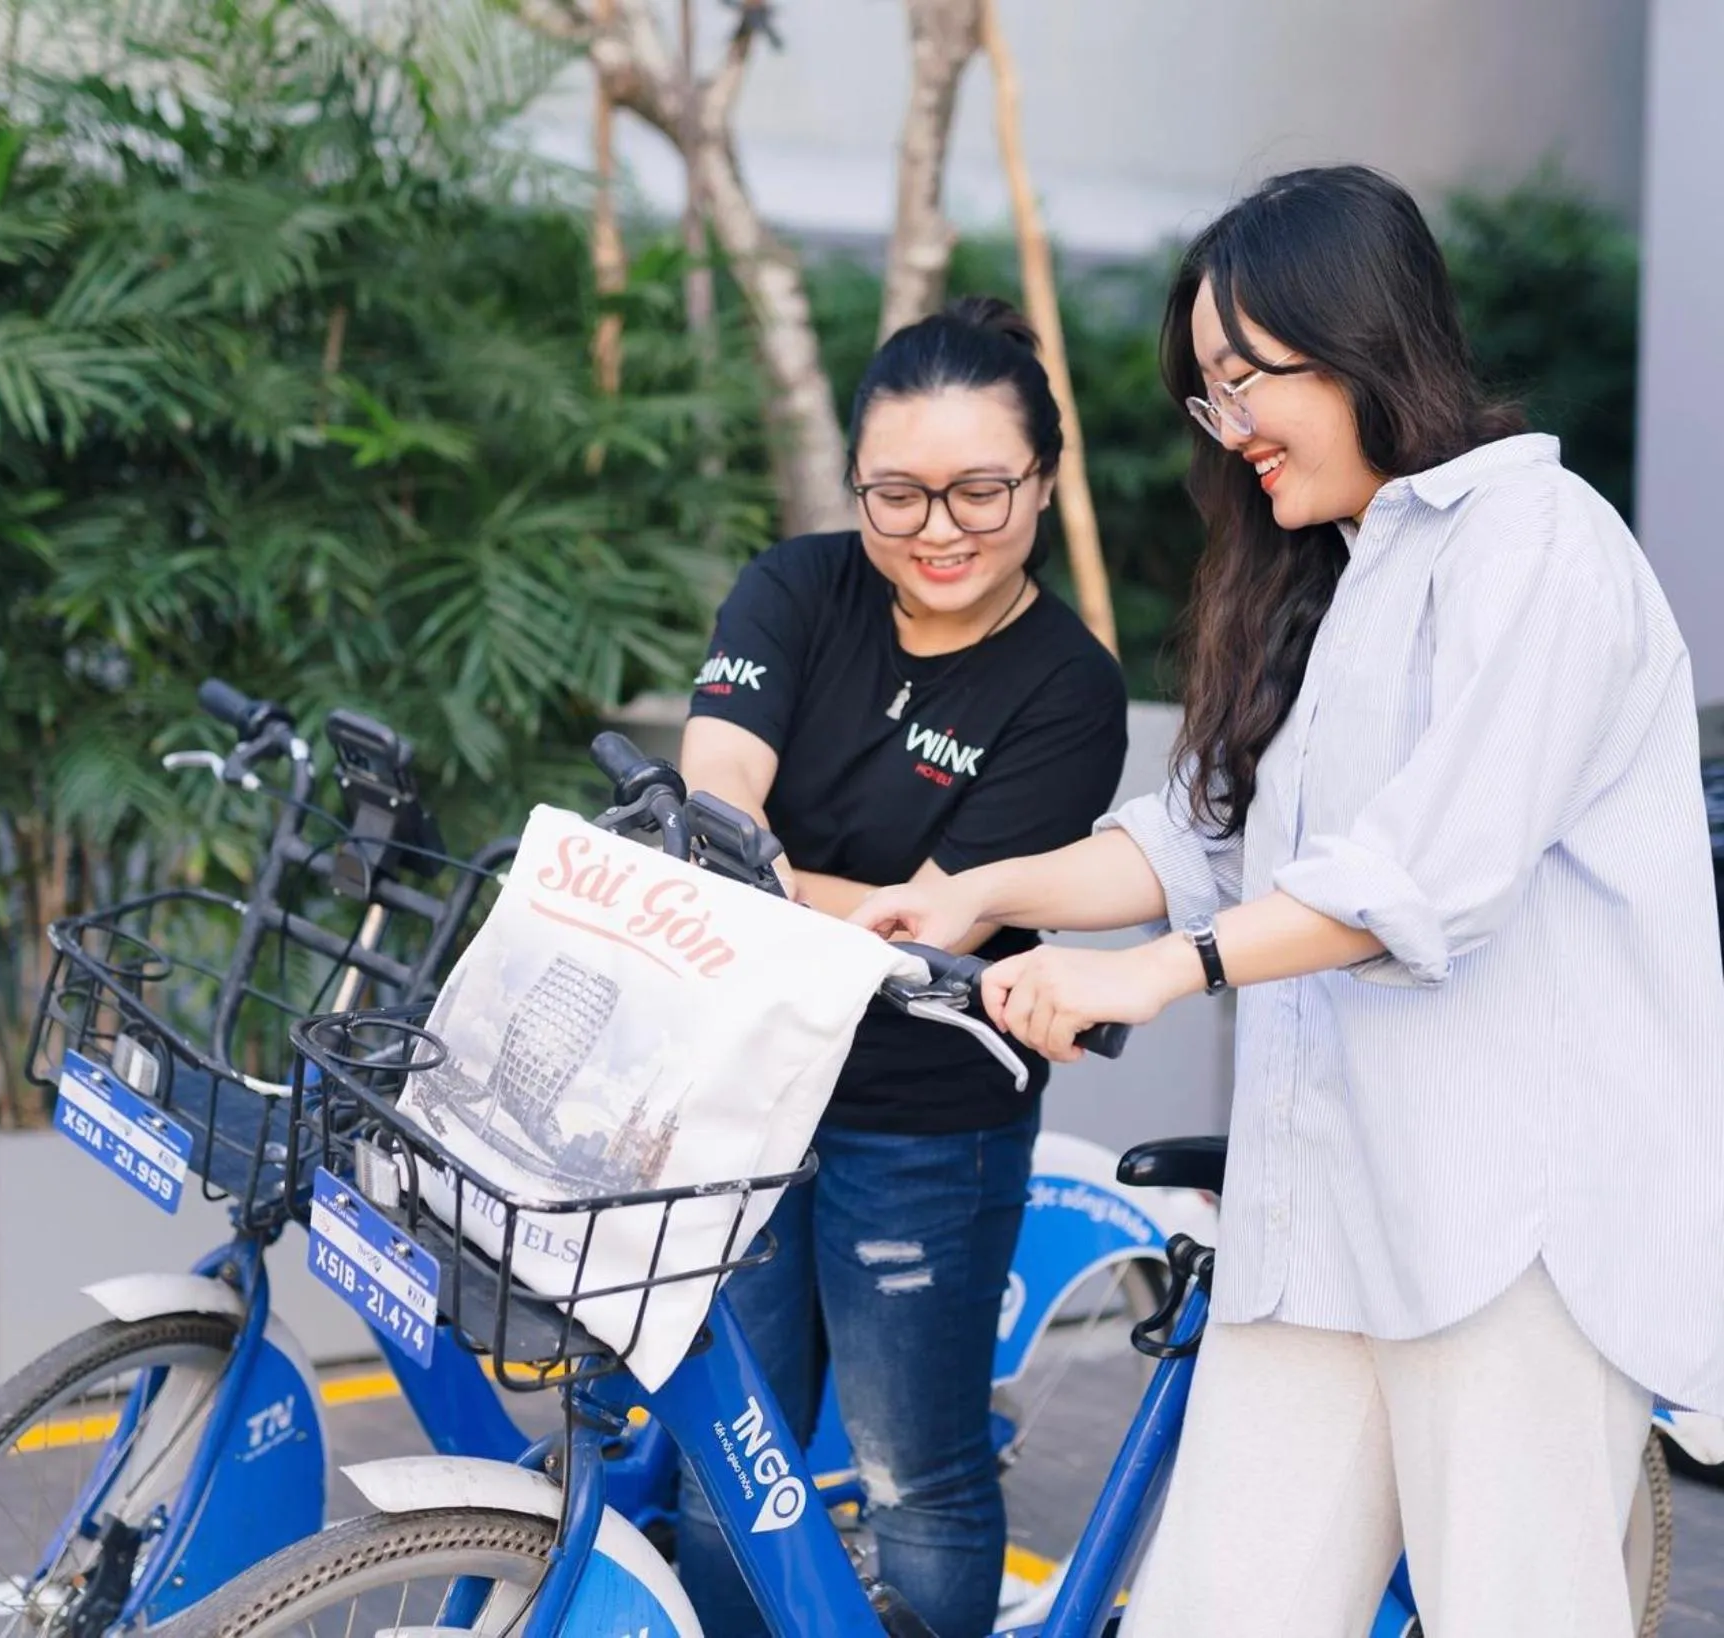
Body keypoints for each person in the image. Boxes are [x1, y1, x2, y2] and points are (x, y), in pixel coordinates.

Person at [855, 165, 1724, 1637]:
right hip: (1322, 1221)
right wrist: (977, 889)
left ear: (1367, 338)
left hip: (1505, 1230)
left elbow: (1420, 880)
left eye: (1248, 376)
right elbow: (1199, 840)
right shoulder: (1342, 578)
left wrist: (1156, 973)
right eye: (1209, 392)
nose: (1231, 425)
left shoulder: (1538, 546)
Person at [675, 295, 1128, 1638]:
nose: (939, 529)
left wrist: (784, 881)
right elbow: (715, 803)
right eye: (901, 493)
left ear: (1043, 479)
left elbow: (935, 929)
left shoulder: (1067, 686)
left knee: (912, 1477)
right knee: (727, 1460)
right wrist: (812, 887)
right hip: (752, 1088)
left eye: (981, 489)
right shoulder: (797, 587)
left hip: (926, 1122)